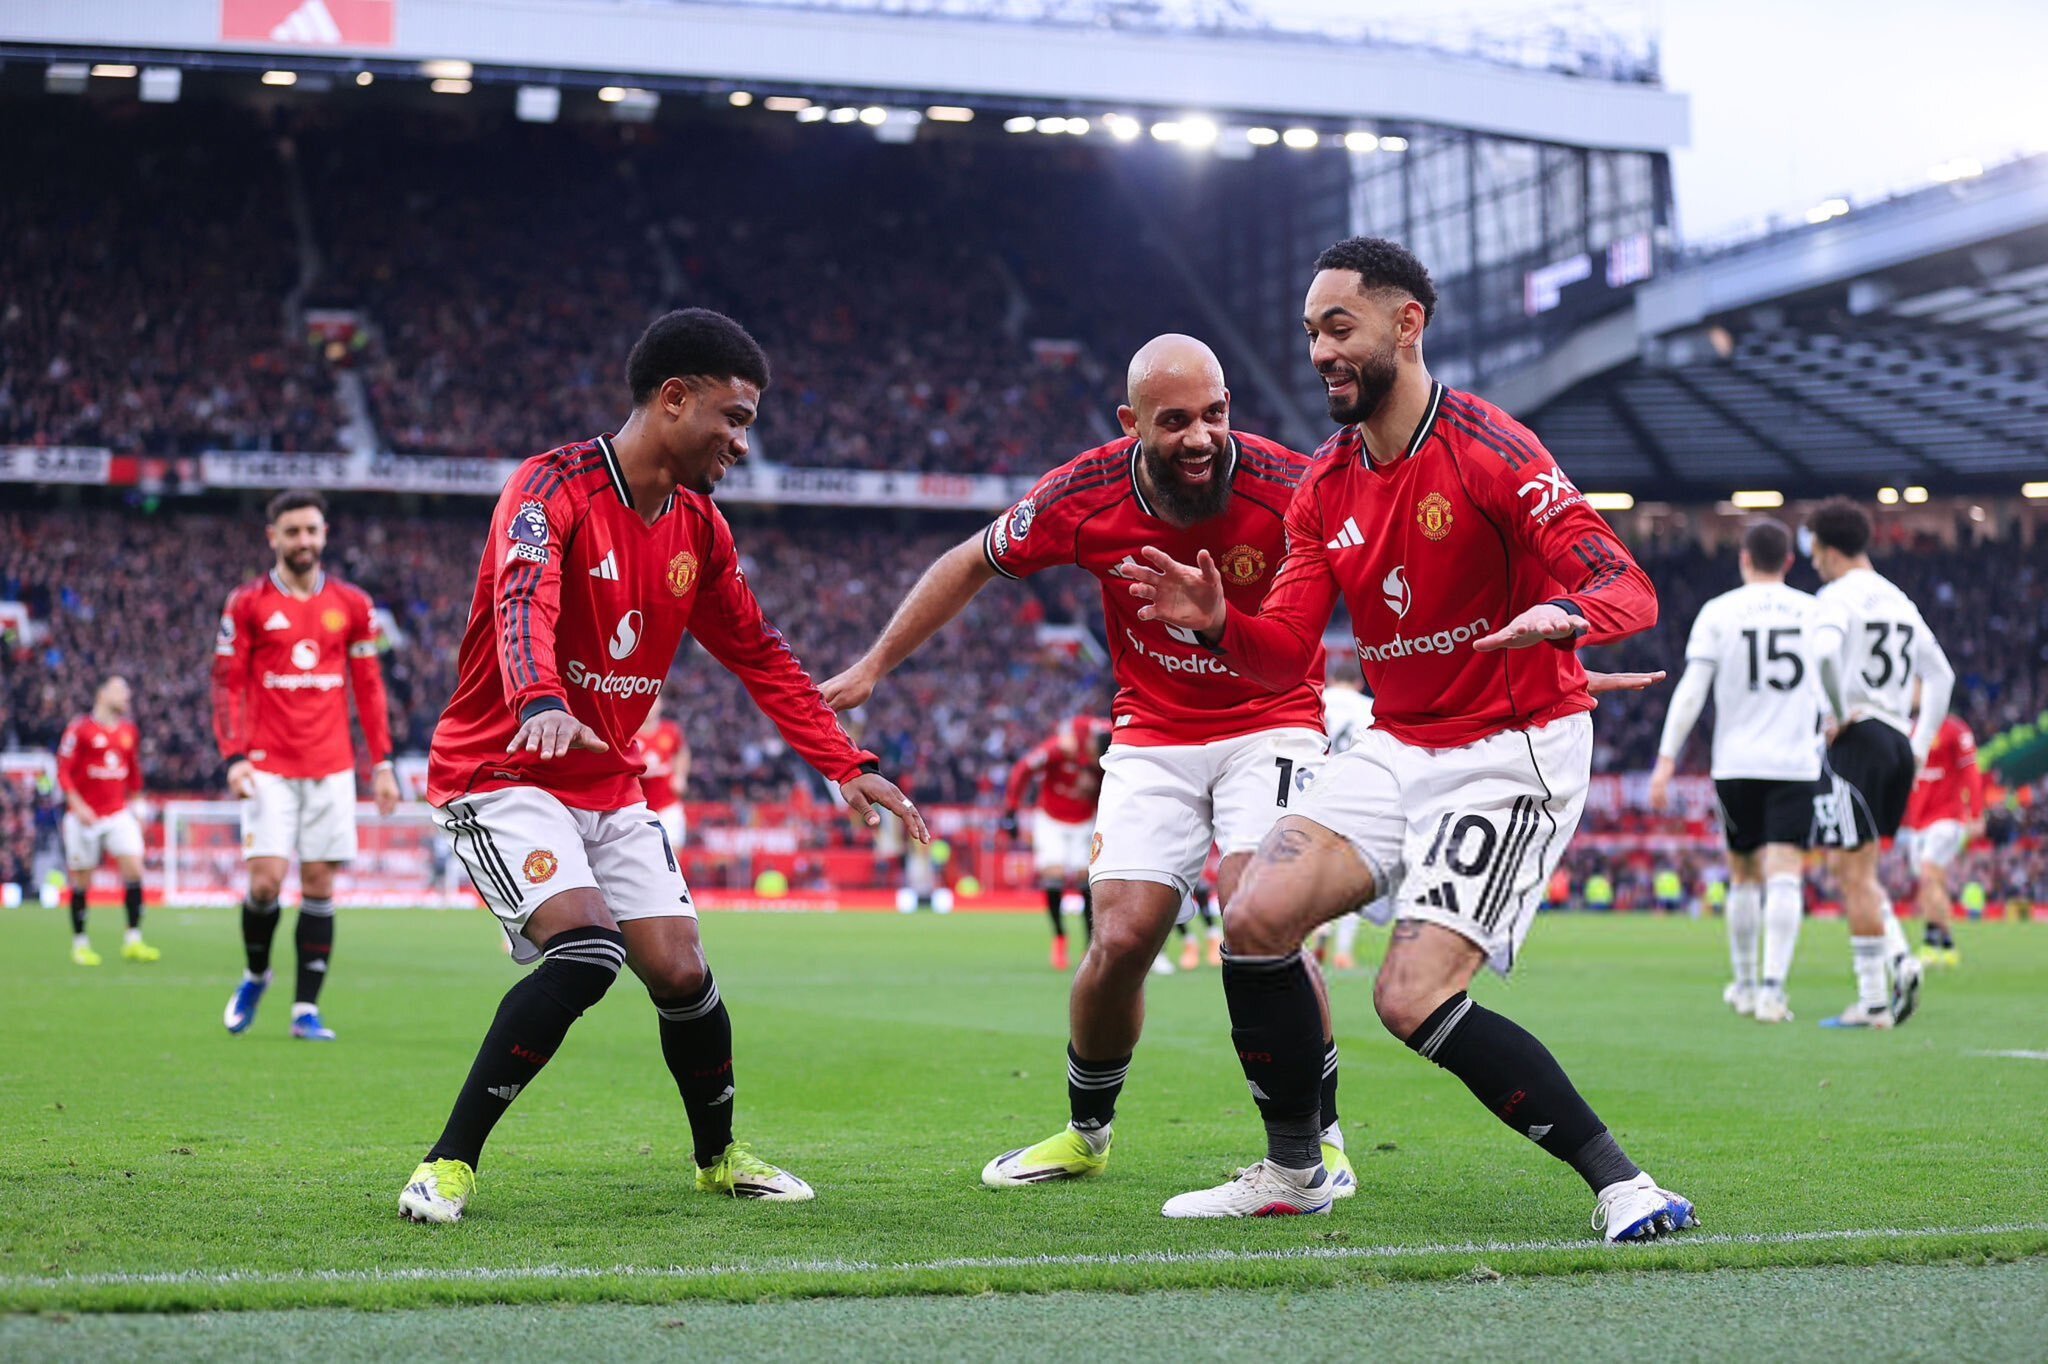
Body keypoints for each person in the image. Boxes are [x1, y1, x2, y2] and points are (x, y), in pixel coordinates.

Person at [1121, 236, 1690, 1240]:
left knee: (1408, 993)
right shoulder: (1324, 487)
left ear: (1405, 324)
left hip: (1510, 746)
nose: (1319, 352)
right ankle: (1297, 1169)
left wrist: (1564, 619)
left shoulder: (1490, 451)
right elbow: (1279, 655)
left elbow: (1624, 584)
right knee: (1251, 913)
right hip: (1397, 742)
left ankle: (1622, 1183)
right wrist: (1213, 621)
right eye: (1309, 335)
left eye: (1337, 328)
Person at [397, 308, 926, 1225]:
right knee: (590, 951)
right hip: (505, 765)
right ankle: (446, 1163)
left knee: (681, 970)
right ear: (674, 398)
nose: (739, 442)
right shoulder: (550, 487)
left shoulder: (700, 530)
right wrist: (541, 701)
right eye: (733, 417)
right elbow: (520, 598)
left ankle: (718, 1158)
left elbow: (760, 651)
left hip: (608, 782)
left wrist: (847, 764)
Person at [822, 335, 1358, 1197]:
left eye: (1214, 414)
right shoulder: (1083, 493)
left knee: (1263, 919)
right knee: (1119, 941)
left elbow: (1389, 563)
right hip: (1152, 731)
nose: (1199, 437)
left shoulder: (1289, 486)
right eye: (1174, 420)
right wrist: (878, 665)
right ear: (1130, 422)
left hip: (1275, 719)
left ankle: (1318, 1140)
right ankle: (1086, 1134)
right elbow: (970, 561)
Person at [211, 489, 399, 1042]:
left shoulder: (353, 604)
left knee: (319, 885)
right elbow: (227, 685)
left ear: (325, 534)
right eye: (292, 532)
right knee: (266, 882)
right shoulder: (246, 603)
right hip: (267, 765)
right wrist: (235, 756)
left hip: (332, 765)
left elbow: (369, 688)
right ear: (273, 537)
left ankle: (304, 1012)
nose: (303, 541)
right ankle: (254, 975)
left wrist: (382, 763)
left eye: (312, 531)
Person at [1650, 517, 1826, 1024]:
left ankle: (1747, 985)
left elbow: (1691, 692)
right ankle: (1773, 991)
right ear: (1790, 561)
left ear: (1744, 558)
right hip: (1795, 760)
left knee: (1745, 873)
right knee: (1786, 871)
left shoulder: (1718, 613)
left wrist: (1666, 759)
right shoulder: (1814, 613)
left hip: (1737, 763)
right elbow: (1835, 682)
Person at [1806, 499, 1954, 1028]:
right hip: (1896, 740)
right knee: (1855, 870)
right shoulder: (1898, 598)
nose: (1812, 559)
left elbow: (1824, 656)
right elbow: (1942, 677)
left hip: (1859, 739)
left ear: (1825, 546)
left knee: (1854, 873)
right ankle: (1884, 981)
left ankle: (1881, 986)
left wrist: (1841, 713)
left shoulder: (1836, 595)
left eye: (1813, 548)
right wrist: (1919, 745)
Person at [1001, 713, 1112, 969]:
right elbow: (1023, 770)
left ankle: (1089, 945)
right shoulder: (1059, 749)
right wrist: (1011, 809)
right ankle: (1060, 937)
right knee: (1054, 877)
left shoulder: (1108, 751)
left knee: (1089, 881)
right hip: (1051, 818)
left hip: (1085, 820)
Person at [56, 676, 154, 966]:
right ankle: (81, 944)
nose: (127, 695)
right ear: (102, 694)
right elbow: (63, 771)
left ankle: (133, 939)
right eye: (121, 690)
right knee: (82, 879)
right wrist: (78, 805)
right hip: (84, 816)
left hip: (118, 812)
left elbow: (134, 772)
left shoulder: (129, 732)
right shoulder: (80, 730)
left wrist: (138, 805)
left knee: (135, 870)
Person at [1900, 712, 1984, 967]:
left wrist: (1977, 813)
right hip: (1917, 823)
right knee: (1929, 881)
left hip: (1948, 817)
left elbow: (1971, 771)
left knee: (1928, 873)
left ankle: (1937, 942)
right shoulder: (1908, 730)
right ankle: (1941, 942)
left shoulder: (1955, 730)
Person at [627, 699, 691, 852]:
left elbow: (682, 753)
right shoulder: (630, 733)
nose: (650, 706)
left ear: (661, 705)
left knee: (673, 852)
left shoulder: (671, 731)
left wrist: (680, 776)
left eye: (655, 702)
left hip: (668, 803)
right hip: (638, 806)